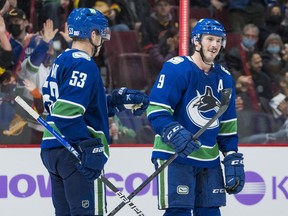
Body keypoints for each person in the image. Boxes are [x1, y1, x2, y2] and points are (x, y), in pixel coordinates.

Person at [40, 8, 149, 215]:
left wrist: (117, 102)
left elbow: (76, 105)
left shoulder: (62, 60)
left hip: (53, 148)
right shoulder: (84, 64)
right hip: (74, 151)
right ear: (92, 34)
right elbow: (67, 113)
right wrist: (88, 146)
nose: (103, 39)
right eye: (102, 33)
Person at [146, 18, 245, 216]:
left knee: (210, 213)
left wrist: (231, 155)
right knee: (179, 212)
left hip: (209, 159)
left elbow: (226, 124)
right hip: (175, 156)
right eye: (209, 39)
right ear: (196, 41)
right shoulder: (177, 68)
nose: (215, 45)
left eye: (219, 40)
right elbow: (156, 110)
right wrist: (173, 132)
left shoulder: (224, 77)